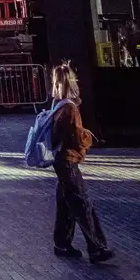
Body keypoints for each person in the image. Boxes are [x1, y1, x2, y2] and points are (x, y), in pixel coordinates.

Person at [49, 62, 114, 264]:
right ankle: (97, 247)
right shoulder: (70, 108)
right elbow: (77, 138)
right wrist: (88, 137)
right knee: (82, 203)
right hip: (68, 160)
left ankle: (62, 244)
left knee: (66, 203)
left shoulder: (57, 105)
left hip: (60, 160)